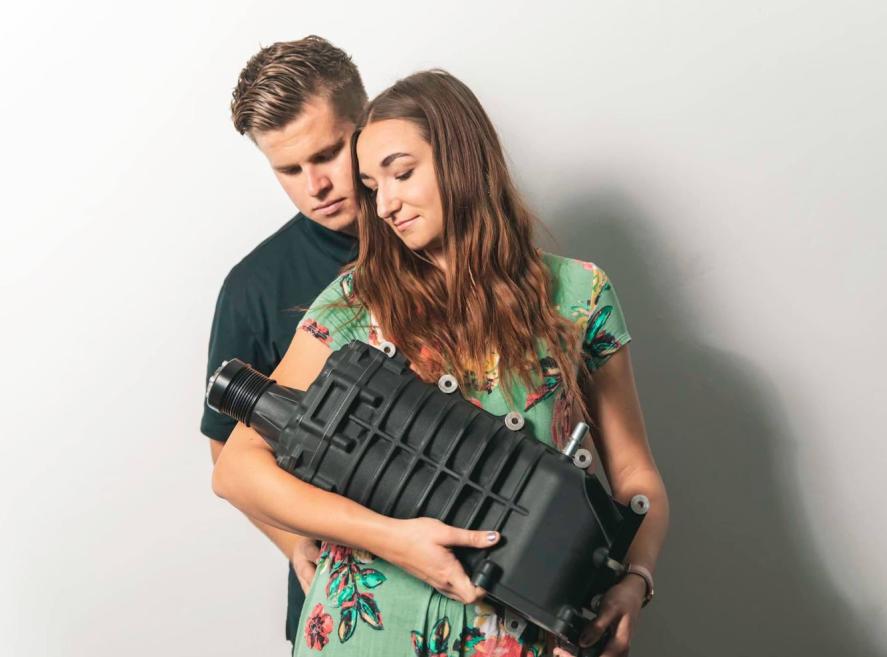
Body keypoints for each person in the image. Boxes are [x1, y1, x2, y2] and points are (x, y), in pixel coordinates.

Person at [213, 70, 669, 657]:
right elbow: (237, 470)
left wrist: (635, 581)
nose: (386, 204)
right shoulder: (355, 303)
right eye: (374, 186)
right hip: (371, 633)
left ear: (462, 159)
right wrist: (393, 540)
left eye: (402, 174)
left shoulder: (579, 297)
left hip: (518, 633)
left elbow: (635, 478)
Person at [201, 35, 365, 647]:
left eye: (327, 153)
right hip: (343, 601)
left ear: (368, 122)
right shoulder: (253, 286)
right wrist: (295, 542)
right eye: (288, 169)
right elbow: (228, 457)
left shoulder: (441, 236)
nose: (315, 185)